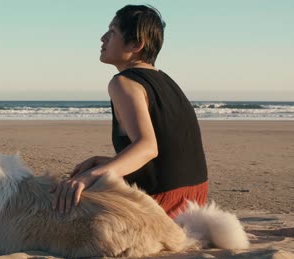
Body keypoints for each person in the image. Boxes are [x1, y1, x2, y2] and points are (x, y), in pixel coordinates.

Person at [51, 5, 208, 219]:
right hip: (195, 198)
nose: (103, 38)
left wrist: (88, 177)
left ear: (136, 44)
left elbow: (148, 147)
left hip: (164, 204)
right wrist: (106, 162)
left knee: (64, 203)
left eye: (112, 32)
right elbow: (166, 153)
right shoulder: (166, 81)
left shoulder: (124, 83)